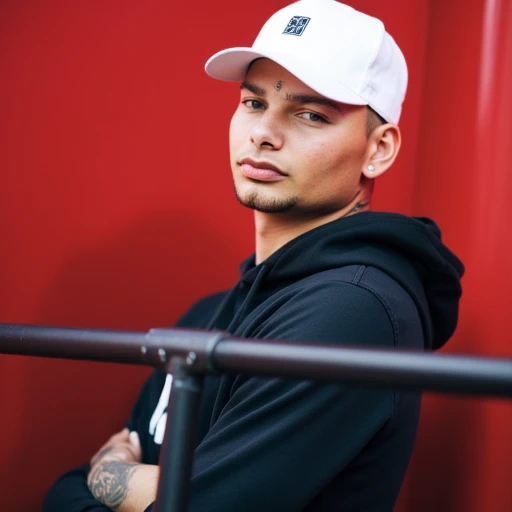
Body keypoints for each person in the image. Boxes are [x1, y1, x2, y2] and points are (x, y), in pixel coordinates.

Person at [43, 1, 464, 511]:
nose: (263, 133)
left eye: (310, 114)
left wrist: (106, 473)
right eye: (253, 102)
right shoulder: (206, 315)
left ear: (378, 149)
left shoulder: (353, 312)